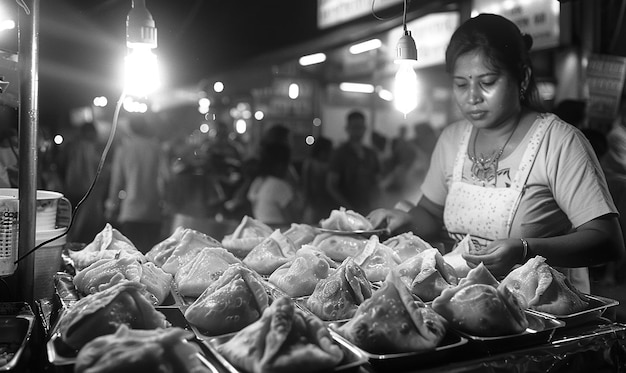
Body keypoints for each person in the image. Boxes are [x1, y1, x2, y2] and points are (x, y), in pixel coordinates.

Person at [368, 13, 624, 293]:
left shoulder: (559, 142)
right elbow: (429, 212)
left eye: (487, 82)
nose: (472, 97)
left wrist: (525, 250)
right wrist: (405, 218)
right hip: (466, 298)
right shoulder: (452, 139)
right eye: (461, 84)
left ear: (522, 78)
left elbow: (607, 242)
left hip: (543, 311)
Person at [104, 113, 167, 253]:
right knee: (151, 258)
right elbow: (166, 178)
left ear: (130, 128)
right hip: (153, 212)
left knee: (132, 258)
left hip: (130, 212)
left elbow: (116, 181)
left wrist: (111, 206)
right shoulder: (156, 148)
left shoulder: (124, 149)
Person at [327, 110, 381, 215]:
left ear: (365, 129)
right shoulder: (340, 154)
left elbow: (376, 183)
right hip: (346, 212)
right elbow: (331, 185)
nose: (358, 131)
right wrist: (348, 208)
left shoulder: (371, 154)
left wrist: (376, 205)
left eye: (360, 127)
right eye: (354, 127)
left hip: (368, 210)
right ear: (347, 129)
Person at [247, 142, 298, 227]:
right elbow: (293, 219)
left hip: (262, 229)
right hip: (280, 232)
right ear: (280, 165)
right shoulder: (279, 185)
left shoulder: (258, 181)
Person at [301, 136, 335, 224]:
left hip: (324, 203)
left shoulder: (325, 164)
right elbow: (306, 185)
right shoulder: (311, 163)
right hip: (315, 203)